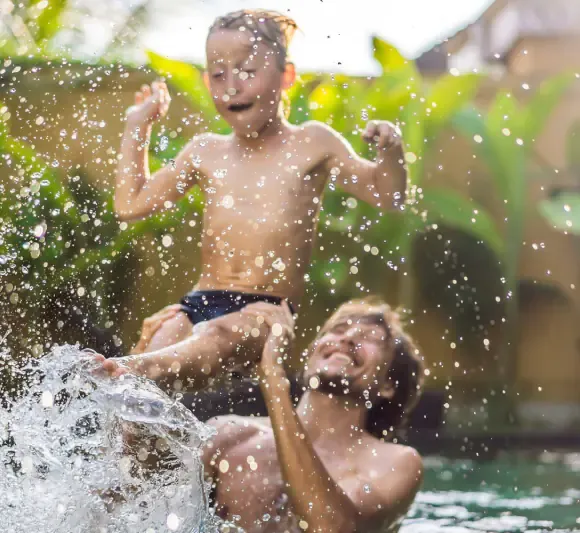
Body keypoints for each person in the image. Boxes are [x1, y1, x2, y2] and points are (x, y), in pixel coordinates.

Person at [114, 8, 408, 366]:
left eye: (248, 72)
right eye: (219, 75)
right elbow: (130, 204)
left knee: (212, 337)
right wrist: (137, 127)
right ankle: (130, 374)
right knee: (161, 342)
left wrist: (391, 151)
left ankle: (129, 369)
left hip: (265, 310)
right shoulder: (205, 151)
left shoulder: (313, 143)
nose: (233, 86)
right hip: (199, 302)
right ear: (208, 82)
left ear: (286, 77)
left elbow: (387, 195)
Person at [97, 298, 425, 532]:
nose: (348, 338)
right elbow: (130, 497)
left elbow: (330, 527)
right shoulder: (230, 436)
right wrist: (137, 382)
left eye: (370, 339)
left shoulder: (394, 462)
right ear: (311, 354)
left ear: (388, 386)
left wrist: (273, 379)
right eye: (337, 330)